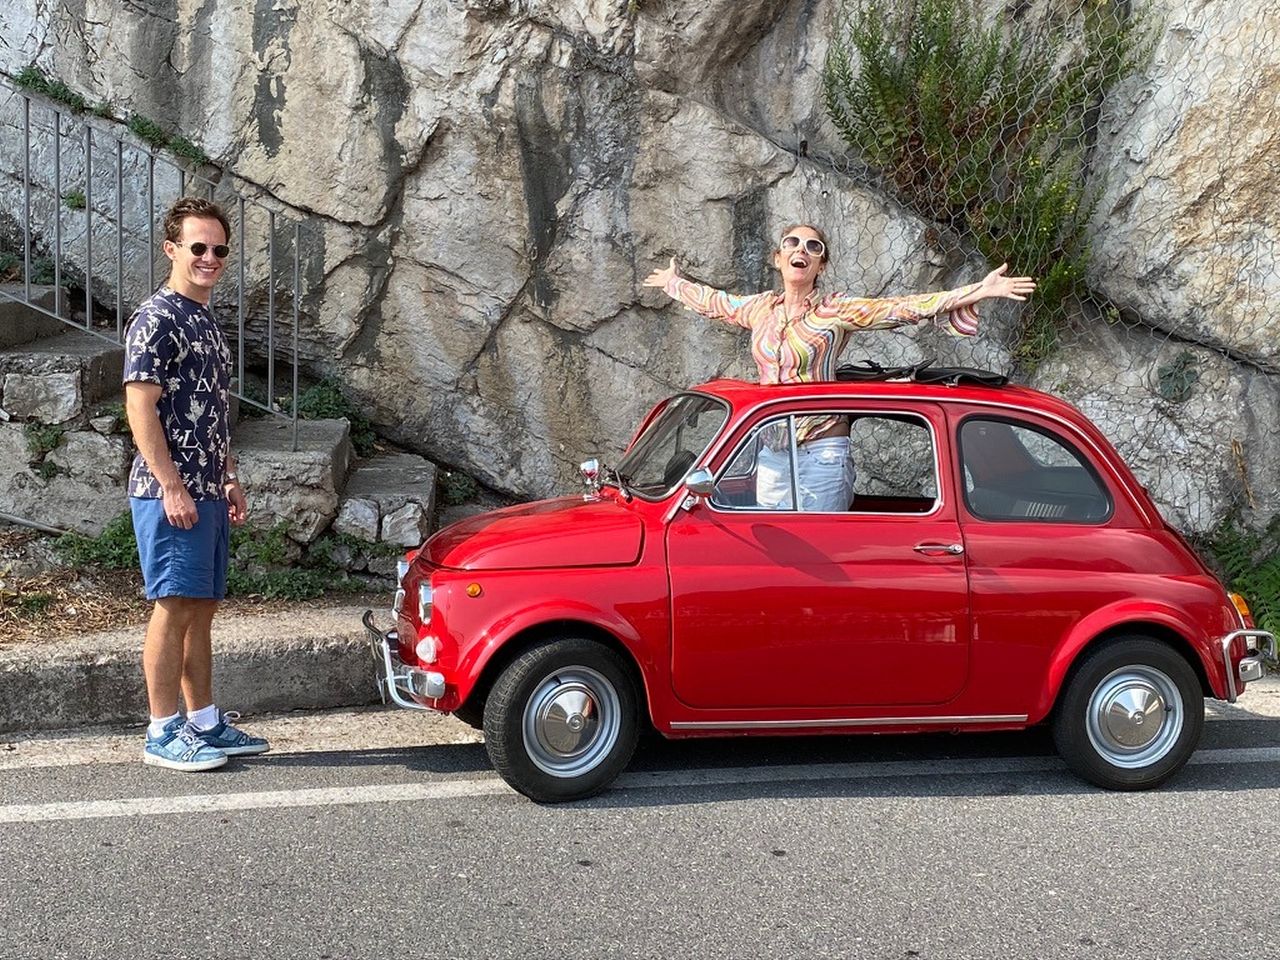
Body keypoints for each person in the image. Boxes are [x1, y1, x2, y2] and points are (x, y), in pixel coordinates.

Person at [643, 224, 1036, 511]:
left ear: (821, 265)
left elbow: (898, 308)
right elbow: (715, 302)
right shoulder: (761, 308)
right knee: (775, 556)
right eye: (792, 243)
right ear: (778, 258)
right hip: (773, 453)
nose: (802, 250)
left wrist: (978, 290)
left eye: (813, 247)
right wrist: (674, 283)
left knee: (819, 553)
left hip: (822, 449)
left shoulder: (835, 311)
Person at [122, 196, 268, 772]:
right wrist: (172, 486)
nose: (210, 257)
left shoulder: (204, 319)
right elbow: (140, 407)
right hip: (171, 493)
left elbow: (213, 410)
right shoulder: (156, 318)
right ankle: (162, 731)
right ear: (172, 249)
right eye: (198, 247)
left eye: (219, 249)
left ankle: (204, 721)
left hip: (207, 488)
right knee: (174, 605)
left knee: (201, 607)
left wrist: (227, 476)